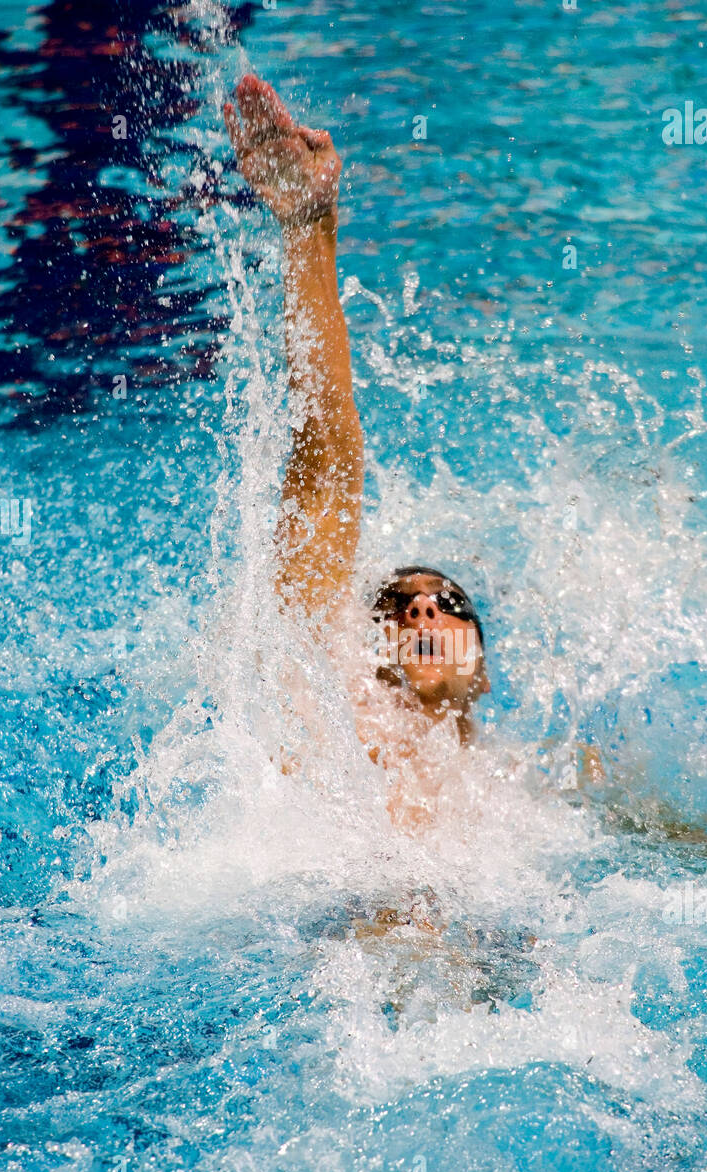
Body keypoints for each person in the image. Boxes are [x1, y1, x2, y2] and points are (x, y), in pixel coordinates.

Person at [223, 75, 600, 842]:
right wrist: (307, 227)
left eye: (447, 604)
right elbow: (326, 462)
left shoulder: (543, 791)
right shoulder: (337, 722)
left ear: (485, 670)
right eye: (399, 607)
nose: (424, 608)